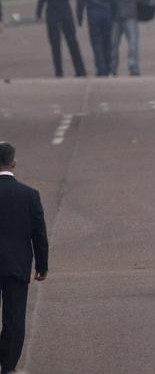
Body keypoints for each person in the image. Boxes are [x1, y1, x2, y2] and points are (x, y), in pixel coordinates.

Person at [0, 142, 49, 374]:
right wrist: (42, 265)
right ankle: (8, 364)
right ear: (13, 162)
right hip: (17, 264)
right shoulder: (29, 195)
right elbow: (39, 233)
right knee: (15, 316)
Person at [36, 0, 87, 78]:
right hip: (52, 9)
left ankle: (80, 70)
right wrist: (38, 11)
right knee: (55, 43)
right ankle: (58, 72)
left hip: (64, 7)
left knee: (72, 41)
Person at [102, 0, 141, 76]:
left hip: (130, 14)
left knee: (133, 44)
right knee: (113, 45)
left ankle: (133, 68)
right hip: (115, 16)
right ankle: (112, 69)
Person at [77, 0, 115, 77]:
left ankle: (101, 68)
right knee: (107, 42)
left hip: (93, 15)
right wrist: (114, 13)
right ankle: (108, 67)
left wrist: (79, 18)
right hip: (106, 13)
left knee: (96, 43)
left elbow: (80, 3)